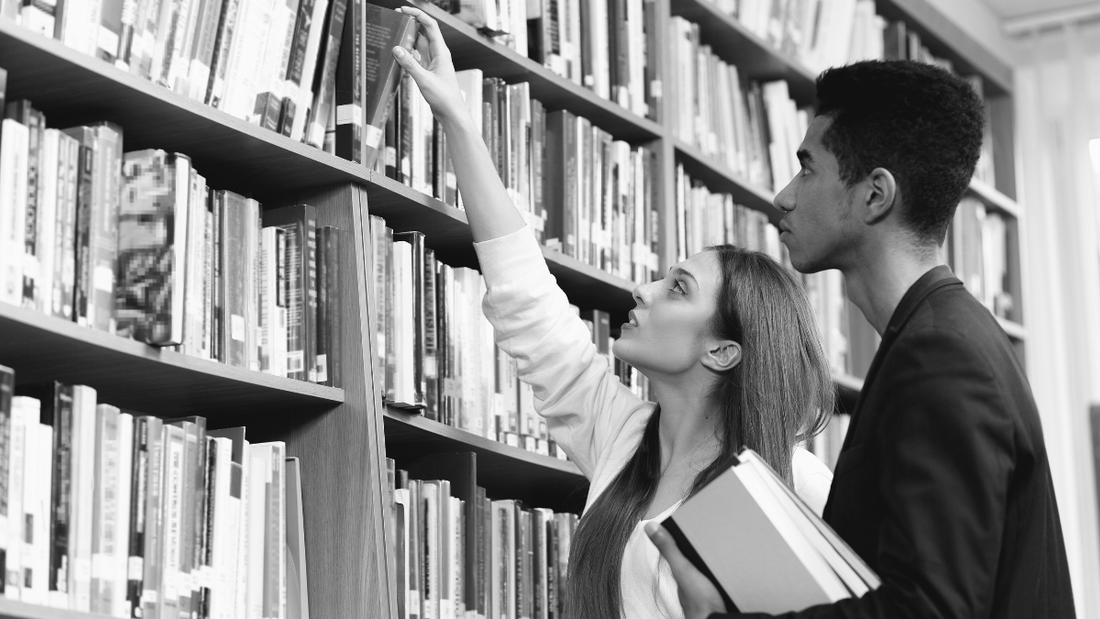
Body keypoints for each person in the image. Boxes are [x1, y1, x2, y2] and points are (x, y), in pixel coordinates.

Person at [390, 8, 836, 619]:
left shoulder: (793, 487)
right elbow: (528, 301)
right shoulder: (625, 439)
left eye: (677, 288)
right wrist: (456, 117)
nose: (643, 292)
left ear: (723, 350)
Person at [647, 60, 1077, 619]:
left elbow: (930, 610)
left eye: (807, 170)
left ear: (875, 195)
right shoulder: (936, 337)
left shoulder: (940, 355)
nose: (783, 196)